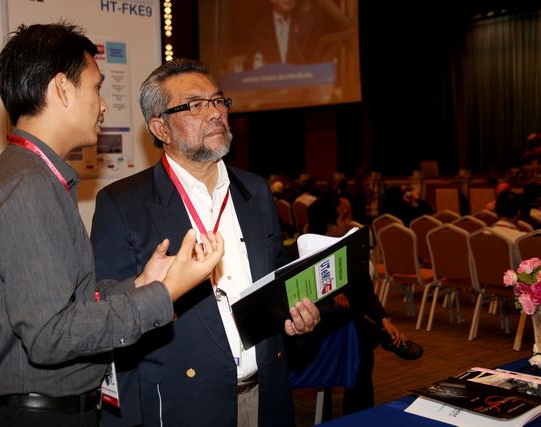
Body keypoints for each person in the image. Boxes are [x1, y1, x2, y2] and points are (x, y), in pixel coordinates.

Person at [0, 24, 224, 427]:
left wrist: (141, 284)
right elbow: (50, 336)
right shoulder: (27, 187)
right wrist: (166, 293)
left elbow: (67, 302)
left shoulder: (36, 176)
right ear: (62, 88)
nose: (103, 106)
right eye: (96, 87)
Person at [91, 58, 320, 427]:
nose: (215, 113)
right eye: (195, 105)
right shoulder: (122, 204)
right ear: (160, 127)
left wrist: (298, 316)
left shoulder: (254, 190)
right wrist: (152, 287)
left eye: (218, 101)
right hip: (183, 402)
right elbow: (104, 304)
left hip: (267, 392)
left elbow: (276, 279)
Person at [306, 193, 423, 414]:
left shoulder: (349, 248)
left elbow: (364, 291)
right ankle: (381, 336)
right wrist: (330, 297)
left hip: (347, 324)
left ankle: (381, 332)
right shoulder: (305, 252)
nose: (349, 221)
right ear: (330, 226)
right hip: (315, 329)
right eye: (344, 217)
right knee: (356, 334)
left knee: (357, 336)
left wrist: (385, 319)